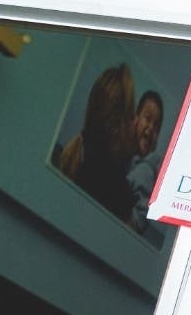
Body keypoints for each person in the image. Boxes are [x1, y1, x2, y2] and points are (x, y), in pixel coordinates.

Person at [57, 63, 138, 222]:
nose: (135, 121)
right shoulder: (119, 193)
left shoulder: (76, 156)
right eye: (132, 114)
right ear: (120, 123)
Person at [127, 90, 164, 233]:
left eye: (157, 127)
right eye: (147, 119)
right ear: (135, 119)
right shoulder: (125, 157)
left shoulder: (147, 171)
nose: (151, 128)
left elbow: (137, 221)